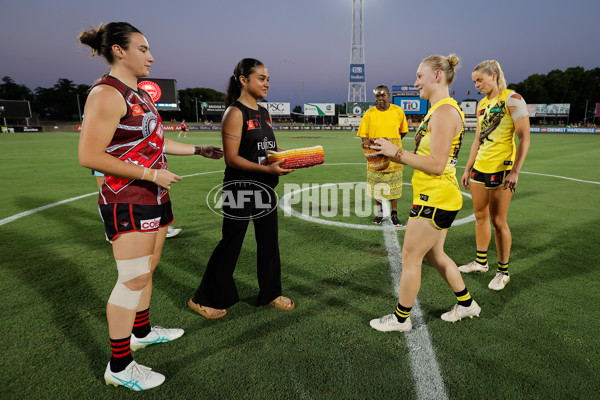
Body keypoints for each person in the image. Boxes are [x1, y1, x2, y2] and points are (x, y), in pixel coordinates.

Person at [78, 22, 223, 391]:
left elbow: (156, 141)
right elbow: (89, 155)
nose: (151, 56)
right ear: (120, 51)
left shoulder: (138, 94)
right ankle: (120, 366)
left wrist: (197, 150)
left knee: (149, 267)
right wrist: (150, 174)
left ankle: (141, 331)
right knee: (132, 279)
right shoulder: (106, 94)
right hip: (127, 197)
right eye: (143, 49)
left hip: (153, 195)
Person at [369, 54, 481, 332]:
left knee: (410, 257)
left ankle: (400, 319)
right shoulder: (439, 109)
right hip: (437, 194)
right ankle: (467, 305)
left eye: (420, 76)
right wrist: (392, 155)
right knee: (435, 254)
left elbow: (437, 164)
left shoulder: (444, 112)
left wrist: (396, 152)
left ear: (438, 76)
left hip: (436, 196)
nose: (416, 81)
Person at [189, 58, 295, 319]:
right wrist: (267, 169)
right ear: (243, 80)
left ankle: (271, 293)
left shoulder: (264, 112)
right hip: (240, 188)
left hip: (265, 187)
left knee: (269, 242)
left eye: (268, 78)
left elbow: (268, 148)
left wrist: (293, 155)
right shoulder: (235, 113)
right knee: (232, 243)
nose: (267, 83)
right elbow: (232, 158)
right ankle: (202, 298)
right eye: (261, 78)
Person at [458, 60, 531, 290]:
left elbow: (524, 138)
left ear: (493, 75)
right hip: (480, 168)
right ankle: (481, 262)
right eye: (474, 81)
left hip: (502, 170)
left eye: (480, 80)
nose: (477, 84)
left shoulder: (513, 99)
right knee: (480, 216)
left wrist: (515, 171)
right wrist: (468, 168)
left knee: (498, 221)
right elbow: (477, 140)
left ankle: (503, 271)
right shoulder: (481, 105)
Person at [357, 85, 409, 226]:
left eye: (383, 95)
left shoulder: (398, 111)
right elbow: (363, 136)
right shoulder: (369, 113)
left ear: (388, 96)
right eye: (377, 96)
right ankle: (379, 213)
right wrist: (372, 149)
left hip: (394, 155)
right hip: (376, 156)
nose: (380, 98)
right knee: (377, 186)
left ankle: (394, 214)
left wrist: (392, 146)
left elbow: (403, 131)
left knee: (394, 186)